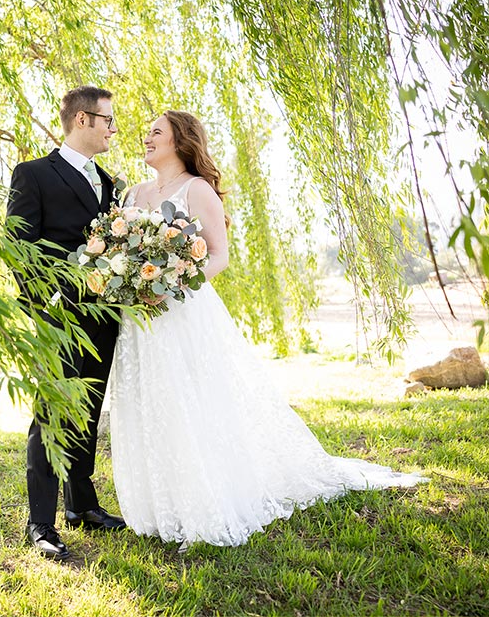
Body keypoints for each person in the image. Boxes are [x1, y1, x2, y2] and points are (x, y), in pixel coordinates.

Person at [108, 110, 427, 548]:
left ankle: (207, 496)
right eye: (148, 131)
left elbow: (217, 254)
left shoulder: (197, 191)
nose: (146, 137)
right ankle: (160, 504)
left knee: (193, 400)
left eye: (156, 132)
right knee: (149, 401)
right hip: (138, 319)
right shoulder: (133, 193)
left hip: (182, 311)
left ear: (180, 142)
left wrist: (174, 285)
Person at [7, 86, 127, 561]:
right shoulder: (34, 173)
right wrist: (45, 305)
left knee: (89, 413)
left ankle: (82, 505)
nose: (114, 129)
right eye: (108, 120)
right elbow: (20, 245)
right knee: (52, 417)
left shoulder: (110, 182)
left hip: (105, 318)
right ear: (82, 120)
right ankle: (41, 521)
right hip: (58, 318)